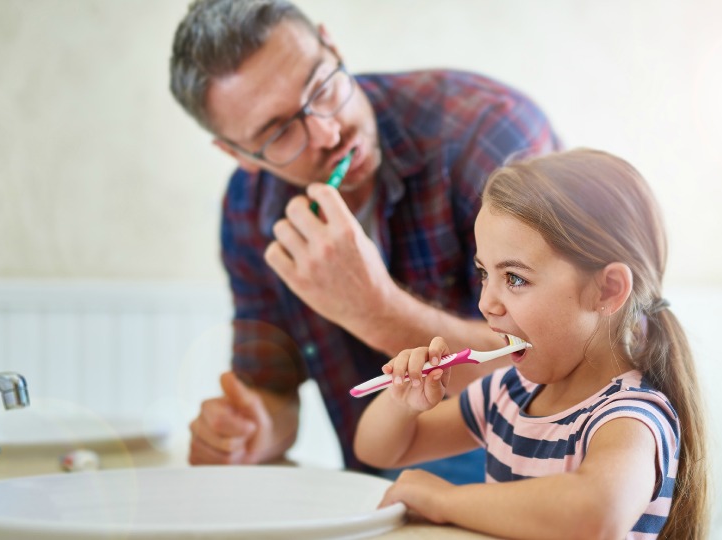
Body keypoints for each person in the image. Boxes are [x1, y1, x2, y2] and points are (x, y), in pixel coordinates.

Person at [168, 0, 560, 483]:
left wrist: (372, 308)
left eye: (321, 86)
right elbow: (274, 393)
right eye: (279, 131)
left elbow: (553, 364)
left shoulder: (488, 132)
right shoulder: (250, 209)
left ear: (332, 46)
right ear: (237, 153)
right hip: (376, 498)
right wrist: (254, 430)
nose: (328, 132)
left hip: (534, 489)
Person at [354, 149, 709, 539]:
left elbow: (596, 514)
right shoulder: (507, 394)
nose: (486, 303)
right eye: (484, 273)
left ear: (607, 290)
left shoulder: (630, 416)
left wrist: (444, 501)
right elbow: (379, 450)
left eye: (515, 278)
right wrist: (402, 402)